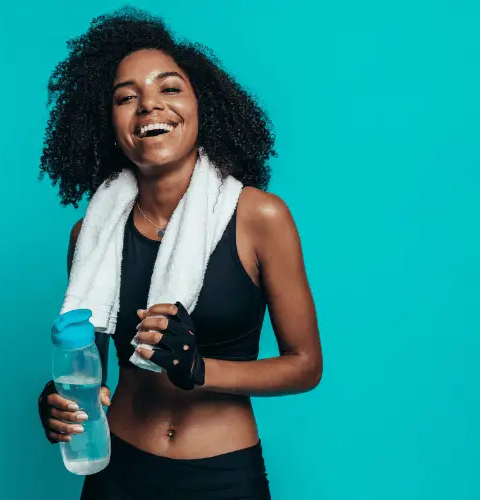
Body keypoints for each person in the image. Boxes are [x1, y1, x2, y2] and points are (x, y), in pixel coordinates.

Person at [37, 7, 322, 499]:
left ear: (201, 106)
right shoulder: (91, 233)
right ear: (109, 122)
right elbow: (90, 372)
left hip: (221, 476)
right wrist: (58, 400)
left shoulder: (260, 218)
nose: (149, 106)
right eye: (127, 98)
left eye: (169, 88)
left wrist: (200, 369)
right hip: (115, 471)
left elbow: (305, 365)